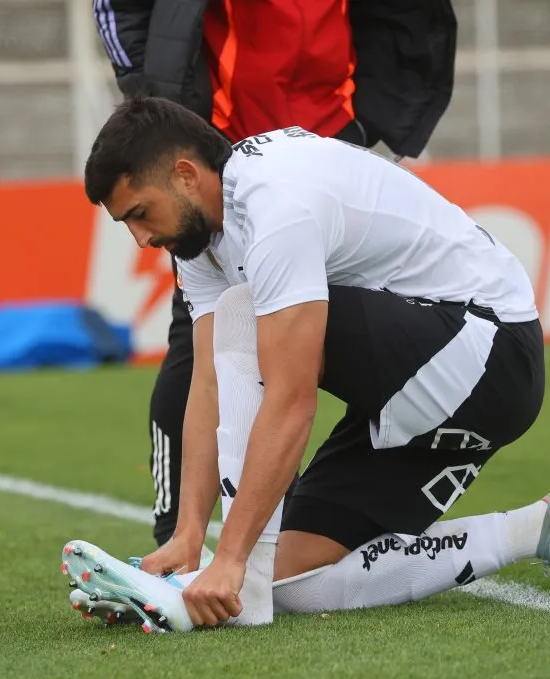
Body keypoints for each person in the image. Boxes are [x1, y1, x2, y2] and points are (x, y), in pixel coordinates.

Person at [60, 95, 550, 633]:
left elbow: (290, 400)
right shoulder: (199, 238)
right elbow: (207, 383)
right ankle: (542, 527)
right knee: (296, 578)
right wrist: (188, 537)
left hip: (491, 350)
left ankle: (245, 585)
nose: (138, 238)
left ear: (186, 175)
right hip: (432, 382)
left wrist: (231, 559)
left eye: (139, 214)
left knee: (242, 313)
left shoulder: (274, 205)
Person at [92, 0, 458, 547]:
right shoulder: (196, 190)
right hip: (219, 145)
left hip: (332, 136)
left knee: (301, 349)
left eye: (139, 219)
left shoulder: (302, 192)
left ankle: (270, 532)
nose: (141, 241)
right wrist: (159, 98)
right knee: (206, 348)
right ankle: (179, 537)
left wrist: (378, 116)